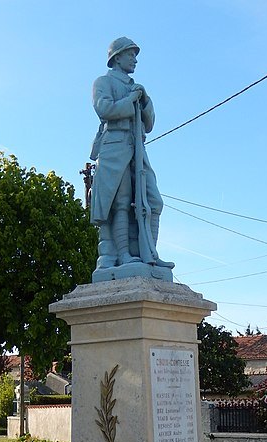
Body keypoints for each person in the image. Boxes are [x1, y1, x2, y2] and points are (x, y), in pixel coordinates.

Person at [90, 37, 173, 271]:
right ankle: (124, 254)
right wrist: (130, 100)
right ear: (117, 57)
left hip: (137, 147)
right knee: (121, 202)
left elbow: (149, 124)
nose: (135, 60)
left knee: (153, 201)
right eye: (130, 55)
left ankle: (151, 255)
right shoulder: (103, 82)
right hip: (114, 145)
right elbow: (104, 109)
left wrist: (144, 99)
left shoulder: (136, 88)